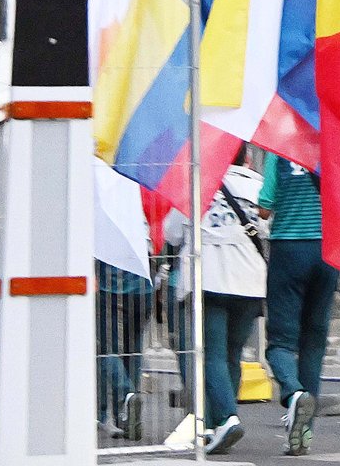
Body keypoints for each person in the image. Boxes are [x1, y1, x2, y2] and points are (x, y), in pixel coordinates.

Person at [164, 148, 266, 455]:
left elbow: (171, 232)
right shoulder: (259, 184)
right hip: (250, 277)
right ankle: (217, 425)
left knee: (211, 354)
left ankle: (224, 419)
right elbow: (266, 224)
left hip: (208, 276)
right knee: (233, 354)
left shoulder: (197, 180)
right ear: (246, 159)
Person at [258, 153, 337, 456]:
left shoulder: (278, 148)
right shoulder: (332, 144)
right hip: (327, 251)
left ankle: (293, 391)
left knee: (279, 343)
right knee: (314, 344)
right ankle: (304, 433)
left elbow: (265, 207)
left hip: (289, 249)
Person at [96, 259, 152, 441]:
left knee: (106, 349)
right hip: (143, 288)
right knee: (134, 349)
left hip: (109, 287)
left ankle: (126, 395)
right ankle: (127, 417)